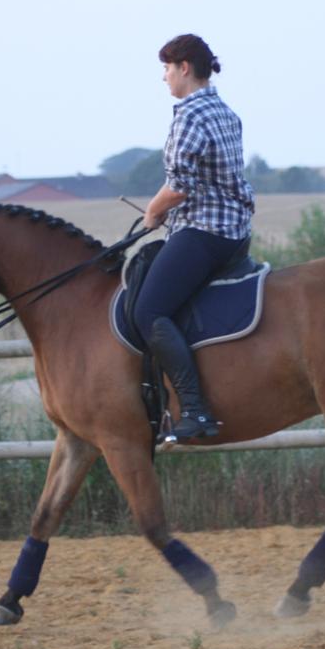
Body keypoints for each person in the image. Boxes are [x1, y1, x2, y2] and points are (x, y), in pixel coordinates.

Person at [132, 34, 256, 440]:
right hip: (235, 232)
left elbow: (180, 185)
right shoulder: (224, 111)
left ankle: (196, 410)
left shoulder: (189, 115)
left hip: (205, 231)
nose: (164, 78)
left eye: (166, 69)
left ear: (184, 67)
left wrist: (153, 211)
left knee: (148, 312)